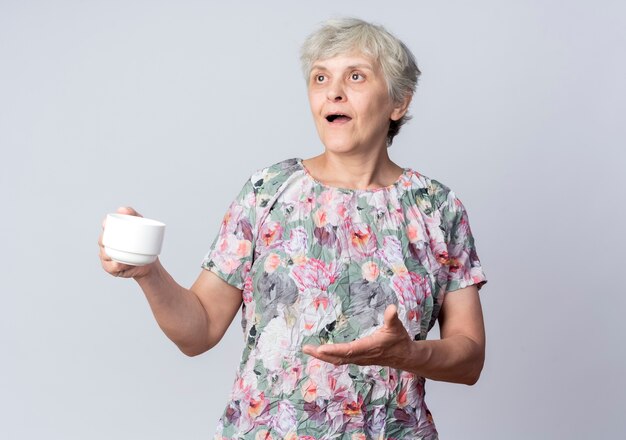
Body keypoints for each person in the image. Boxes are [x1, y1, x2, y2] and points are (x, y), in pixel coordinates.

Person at [99, 17, 487, 440]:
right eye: (321, 77)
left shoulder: (436, 207)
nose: (333, 91)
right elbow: (200, 331)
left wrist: (408, 353)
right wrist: (148, 272)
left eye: (355, 76)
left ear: (398, 103)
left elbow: (469, 362)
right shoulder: (267, 192)